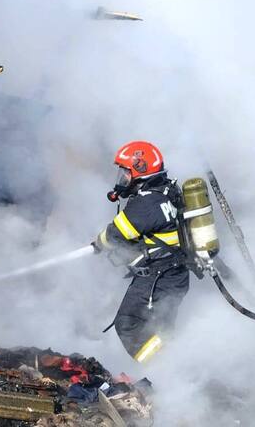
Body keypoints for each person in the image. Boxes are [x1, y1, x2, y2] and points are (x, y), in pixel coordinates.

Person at [92, 141, 190, 363]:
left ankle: (165, 368)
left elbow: (116, 234)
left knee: (129, 324)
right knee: (159, 329)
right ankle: (178, 374)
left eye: (125, 173)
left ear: (141, 170)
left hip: (159, 275)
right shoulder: (165, 192)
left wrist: (98, 244)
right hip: (171, 275)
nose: (122, 179)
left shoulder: (147, 203)